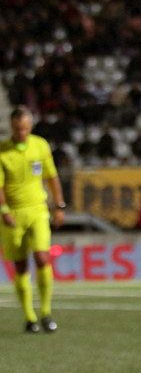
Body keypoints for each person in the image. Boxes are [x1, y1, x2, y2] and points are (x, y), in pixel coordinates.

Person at [0, 107, 67, 333]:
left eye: (26, 128)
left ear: (31, 127)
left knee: (42, 257)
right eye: (19, 129)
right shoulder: (3, 151)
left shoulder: (40, 145)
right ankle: (30, 317)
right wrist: (4, 210)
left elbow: (52, 176)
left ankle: (46, 312)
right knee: (20, 267)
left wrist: (59, 206)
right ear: (12, 127)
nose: (23, 133)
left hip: (38, 210)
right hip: (13, 214)